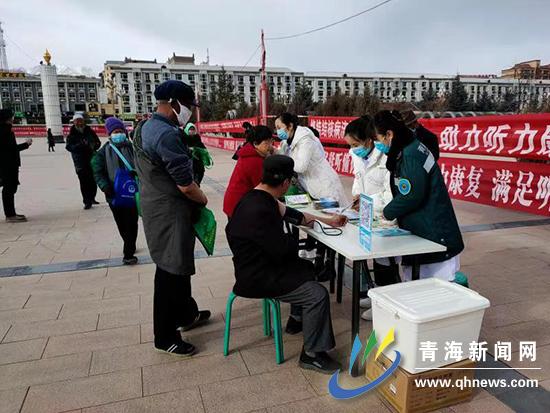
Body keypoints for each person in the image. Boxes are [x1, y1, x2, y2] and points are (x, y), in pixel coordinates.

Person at [226, 154, 347, 374]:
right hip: (256, 277)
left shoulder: (259, 197)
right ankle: (312, 355)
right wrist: (295, 241)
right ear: (285, 183)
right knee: (317, 293)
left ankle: (296, 319)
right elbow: (282, 250)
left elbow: (294, 215)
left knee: (306, 268)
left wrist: (328, 220)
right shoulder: (260, 211)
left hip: (256, 266)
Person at [133, 80, 211, 357]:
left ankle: (186, 314)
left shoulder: (144, 126)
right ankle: (165, 336)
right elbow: (186, 185)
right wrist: (203, 198)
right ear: (175, 103)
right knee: (169, 272)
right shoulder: (166, 134)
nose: (190, 110)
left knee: (178, 267)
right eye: (188, 105)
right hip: (170, 212)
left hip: (157, 206)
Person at [374, 110, 464, 281]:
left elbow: (412, 195)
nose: (379, 144)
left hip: (434, 232)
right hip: (429, 226)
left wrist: (387, 212)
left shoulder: (410, 155)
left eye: (378, 139)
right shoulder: (412, 146)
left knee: (432, 290)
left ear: (389, 134)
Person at [344, 115, 401, 321]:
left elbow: (390, 193)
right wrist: (357, 194)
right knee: (375, 256)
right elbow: (358, 178)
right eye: (350, 145)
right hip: (369, 212)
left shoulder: (386, 157)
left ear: (369, 141)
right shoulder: (358, 155)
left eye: (355, 144)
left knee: (386, 260)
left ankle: (385, 304)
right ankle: (377, 293)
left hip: (385, 215)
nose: (353, 149)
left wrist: (368, 201)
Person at [91, 117, 139, 265]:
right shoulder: (103, 152)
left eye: (120, 131)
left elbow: (142, 165)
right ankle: (128, 247)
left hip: (132, 194)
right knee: (122, 223)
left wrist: (136, 173)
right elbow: (97, 171)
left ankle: (129, 248)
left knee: (133, 222)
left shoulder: (133, 148)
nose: (118, 134)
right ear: (109, 134)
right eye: (115, 132)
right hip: (114, 195)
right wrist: (105, 186)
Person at [276, 113, 348, 206]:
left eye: (279, 128)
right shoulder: (288, 141)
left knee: (334, 216)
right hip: (312, 187)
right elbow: (282, 154)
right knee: (320, 216)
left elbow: (301, 167)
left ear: (290, 126)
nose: (277, 131)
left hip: (325, 187)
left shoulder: (305, 140)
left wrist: (286, 159)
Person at [223, 125, 274, 218]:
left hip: (236, 203)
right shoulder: (254, 161)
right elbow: (263, 189)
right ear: (255, 143)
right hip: (239, 207)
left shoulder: (250, 153)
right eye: (266, 143)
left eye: (271, 142)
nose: (270, 146)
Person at [0, 109, 32, 222]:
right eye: (11, 116)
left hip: (8, 164)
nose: (13, 118)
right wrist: (26, 144)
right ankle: (10, 215)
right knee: (9, 188)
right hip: (7, 165)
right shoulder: (4, 131)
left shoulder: (6, 130)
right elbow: (9, 150)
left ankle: (11, 213)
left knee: (10, 188)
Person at [65, 113, 101, 209]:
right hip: (80, 162)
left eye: (80, 120)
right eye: (77, 121)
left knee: (93, 180)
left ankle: (92, 197)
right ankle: (87, 201)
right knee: (84, 182)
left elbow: (98, 142)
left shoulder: (90, 131)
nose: (79, 122)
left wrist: (93, 145)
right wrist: (79, 146)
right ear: (74, 122)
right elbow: (68, 147)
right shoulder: (71, 134)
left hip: (92, 159)